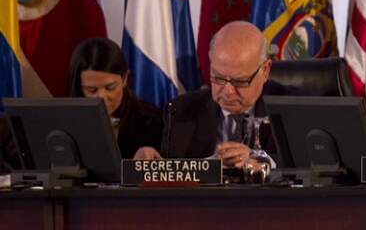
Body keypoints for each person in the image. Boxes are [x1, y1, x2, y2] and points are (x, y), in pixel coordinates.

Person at [135, 21, 286, 168]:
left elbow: (304, 166)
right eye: (218, 78)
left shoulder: (293, 107)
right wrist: (151, 165)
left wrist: (262, 162)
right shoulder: (180, 110)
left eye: (240, 81)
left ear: (265, 70)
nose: (227, 91)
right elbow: (173, 177)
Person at [66, 37, 163, 158]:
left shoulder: (152, 120)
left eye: (110, 87)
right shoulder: (65, 122)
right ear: (79, 88)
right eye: (92, 90)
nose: (101, 97)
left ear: (125, 79)